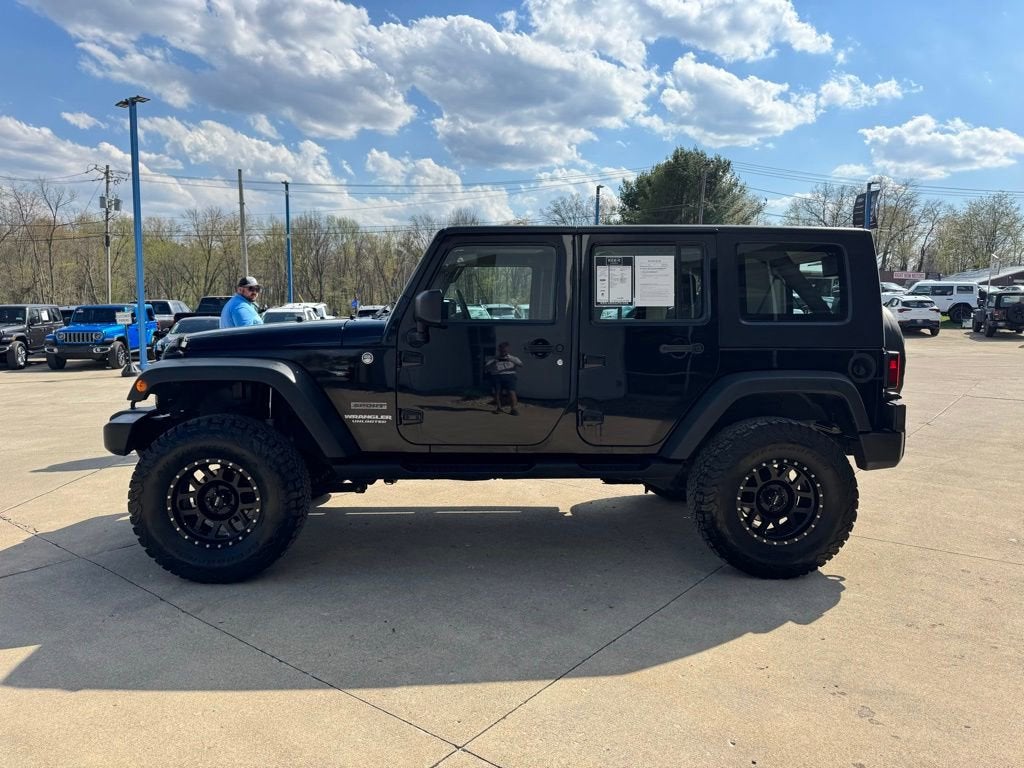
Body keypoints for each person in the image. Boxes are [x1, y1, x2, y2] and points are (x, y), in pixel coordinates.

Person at [484, 341, 523, 415]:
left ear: (508, 350)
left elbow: (521, 364)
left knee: (512, 392)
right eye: (501, 349)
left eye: (505, 350)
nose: (503, 351)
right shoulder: (494, 358)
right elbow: (486, 368)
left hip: (510, 376)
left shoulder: (513, 358)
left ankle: (513, 409)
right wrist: (494, 362)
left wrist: (510, 359)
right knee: (497, 393)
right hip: (496, 376)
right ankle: (499, 408)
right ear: (499, 350)